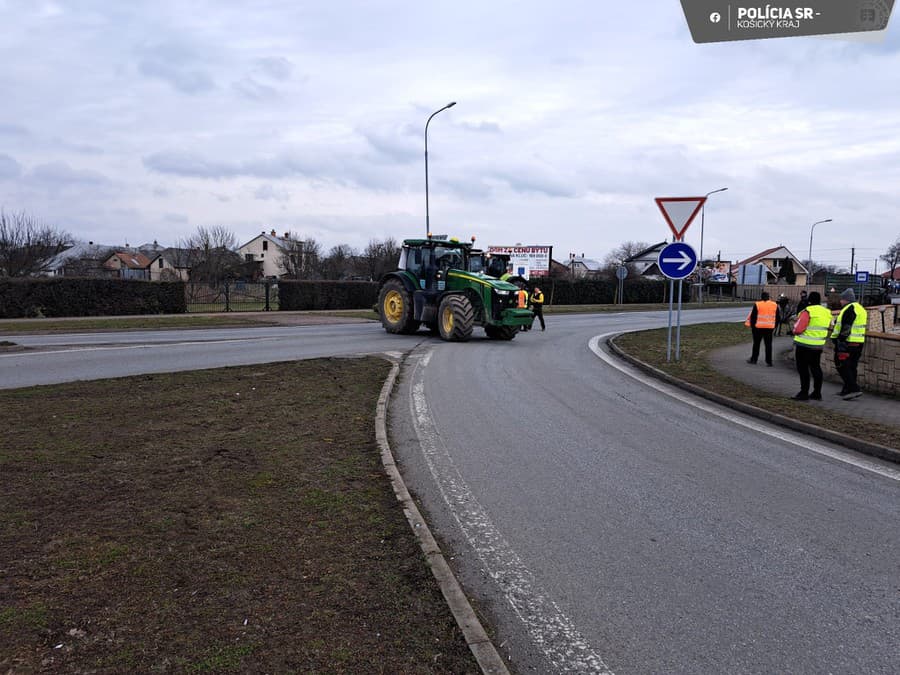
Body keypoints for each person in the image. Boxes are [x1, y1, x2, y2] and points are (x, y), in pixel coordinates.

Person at [790, 291, 830, 400]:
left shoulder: (807, 311)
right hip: (818, 346)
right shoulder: (826, 312)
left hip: (804, 345)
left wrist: (793, 330)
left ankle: (804, 392)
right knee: (816, 368)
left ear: (809, 300)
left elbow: (798, 329)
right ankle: (817, 393)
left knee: (803, 369)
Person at [831, 287, 868, 400]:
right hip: (858, 342)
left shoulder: (849, 308)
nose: (840, 301)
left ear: (847, 299)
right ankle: (847, 389)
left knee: (841, 365)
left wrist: (840, 340)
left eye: (842, 299)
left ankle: (854, 389)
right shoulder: (860, 308)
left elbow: (846, 327)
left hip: (847, 343)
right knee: (852, 366)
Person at [744, 291, 778, 366]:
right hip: (769, 328)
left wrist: (753, 327)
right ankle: (769, 362)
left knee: (756, 344)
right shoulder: (774, 305)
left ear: (761, 297)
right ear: (769, 297)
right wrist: (774, 326)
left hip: (758, 328)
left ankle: (754, 359)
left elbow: (753, 317)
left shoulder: (757, 304)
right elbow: (777, 317)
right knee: (768, 345)